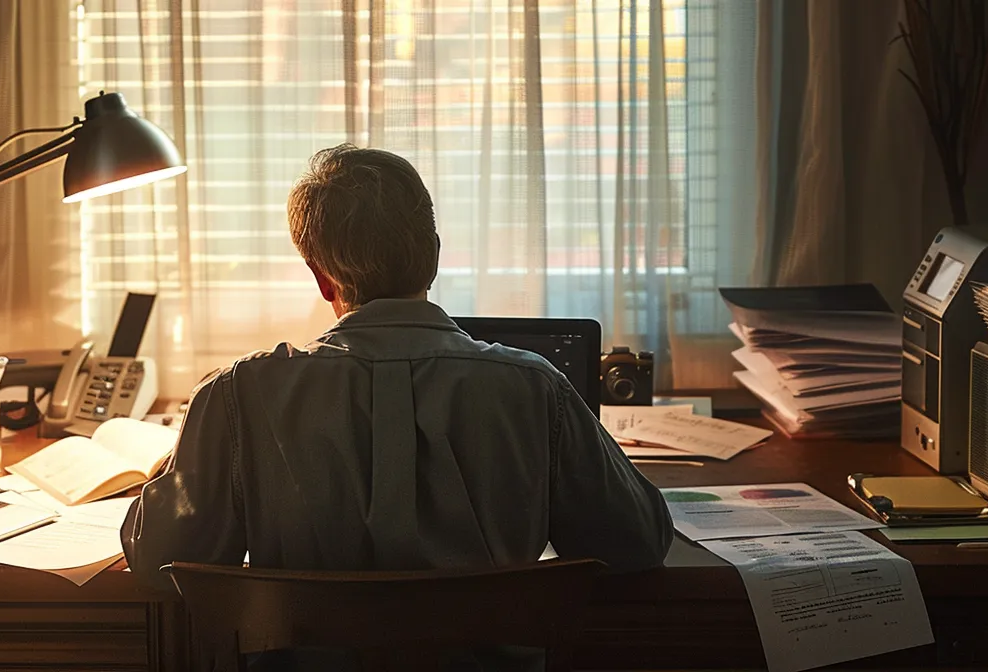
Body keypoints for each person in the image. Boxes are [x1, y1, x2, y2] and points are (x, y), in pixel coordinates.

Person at [121, 144, 673, 583]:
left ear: (320, 276)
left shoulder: (237, 395)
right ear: (433, 255)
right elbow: (638, 544)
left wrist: (176, 463)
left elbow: (157, 558)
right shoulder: (535, 387)